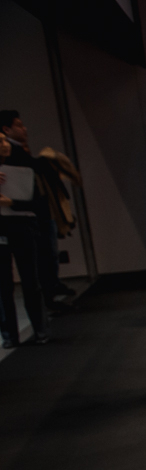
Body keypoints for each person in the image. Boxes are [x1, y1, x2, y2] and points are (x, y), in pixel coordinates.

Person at [1, 110, 76, 308]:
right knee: (32, 268)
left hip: (29, 214)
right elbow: (27, 182)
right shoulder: (15, 157)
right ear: (6, 130)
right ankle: (46, 301)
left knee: (41, 261)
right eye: (18, 125)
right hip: (19, 219)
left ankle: (47, 298)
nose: (4, 146)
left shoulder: (19, 154)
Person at [0, 134, 48, 347]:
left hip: (22, 227)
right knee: (3, 285)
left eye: (4, 140)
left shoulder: (24, 170)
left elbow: (38, 203)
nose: (4, 144)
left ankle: (40, 329)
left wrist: (12, 202)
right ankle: (10, 335)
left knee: (31, 281)